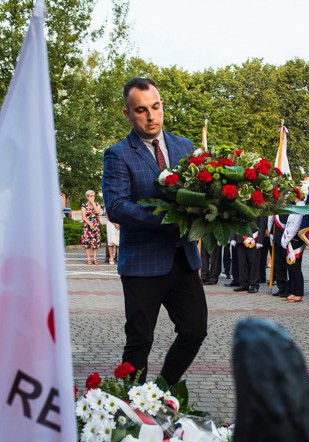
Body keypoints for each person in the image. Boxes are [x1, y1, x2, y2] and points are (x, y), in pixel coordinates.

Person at [102, 77, 207, 385]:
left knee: (195, 330)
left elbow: (198, 190)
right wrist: (166, 218)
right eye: (141, 110)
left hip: (182, 260)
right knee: (139, 342)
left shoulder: (183, 145)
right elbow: (117, 206)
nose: (151, 116)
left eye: (156, 107)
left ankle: (161, 391)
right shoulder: (118, 153)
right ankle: (132, 410)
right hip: (142, 264)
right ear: (127, 114)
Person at [233, 218, 266, 293]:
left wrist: (260, 240)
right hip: (240, 236)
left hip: (254, 238)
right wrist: (233, 237)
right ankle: (243, 284)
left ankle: (254, 284)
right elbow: (234, 221)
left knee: (254, 263)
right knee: (242, 263)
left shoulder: (260, 206)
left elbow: (262, 223)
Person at [281, 204, 305, 302]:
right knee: (291, 268)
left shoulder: (301, 206)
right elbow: (288, 225)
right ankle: (293, 292)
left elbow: (296, 226)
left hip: (295, 241)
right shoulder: (295, 206)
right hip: (289, 240)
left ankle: (299, 293)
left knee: (296, 268)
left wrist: (286, 240)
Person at [80, 190, 102, 265]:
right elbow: (83, 217)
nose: (92, 197)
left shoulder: (97, 204)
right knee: (87, 243)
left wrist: (93, 203)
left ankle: (95, 259)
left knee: (95, 243)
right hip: (87, 226)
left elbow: (98, 212)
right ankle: (88, 258)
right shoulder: (84, 205)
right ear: (87, 197)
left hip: (96, 225)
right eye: (91, 196)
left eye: (93, 196)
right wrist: (90, 224)